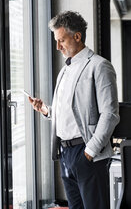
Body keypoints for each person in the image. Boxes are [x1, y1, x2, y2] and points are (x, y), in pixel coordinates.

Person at [28, 11, 120, 209]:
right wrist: (45, 110)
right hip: (66, 153)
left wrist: (89, 153)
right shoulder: (65, 70)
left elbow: (110, 114)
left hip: (86, 152)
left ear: (77, 36)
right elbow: (71, 112)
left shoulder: (99, 66)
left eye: (61, 40)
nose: (58, 47)